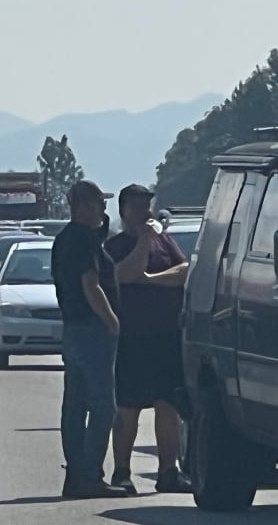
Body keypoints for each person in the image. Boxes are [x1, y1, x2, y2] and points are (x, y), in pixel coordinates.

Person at [104, 184, 191, 495]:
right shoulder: (115, 246)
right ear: (124, 211)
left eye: (148, 206)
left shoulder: (165, 241)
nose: (145, 213)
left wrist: (153, 280)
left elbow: (185, 270)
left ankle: (168, 471)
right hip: (132, 338)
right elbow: (125, 274)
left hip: (166, 336)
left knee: (168, 405)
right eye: (138, 207)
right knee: (128, 408)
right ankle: (122, 472)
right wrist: (142, 241)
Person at [52, 180, 128, 499]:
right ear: (82, 206)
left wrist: (104, 225)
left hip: (72, 329)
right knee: (102, 406)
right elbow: (90, 285)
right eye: (98, 204)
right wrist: (112, 321)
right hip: (92, 329)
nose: (102, 210)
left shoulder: (64, 238)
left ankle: (75, 474)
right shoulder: (83, 240)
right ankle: (91, 474)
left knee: (75, 403)